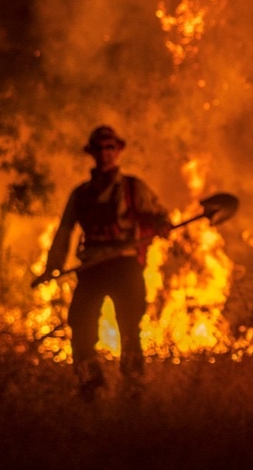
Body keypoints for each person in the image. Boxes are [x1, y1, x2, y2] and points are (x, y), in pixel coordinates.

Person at [45, 125, 172, 399]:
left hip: (125, 265)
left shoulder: (134, 188)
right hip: (92, 267)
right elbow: (65, 230)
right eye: (99, 148)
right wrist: (52, 265)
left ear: (119, 151)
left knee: (129, 327)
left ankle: (133, 387)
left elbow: (159, 214)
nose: (105, 153)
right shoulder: (80, 194)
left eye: (110, 147)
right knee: (80, 324)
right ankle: (90, 386)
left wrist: (162, 224)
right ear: (91, 152)